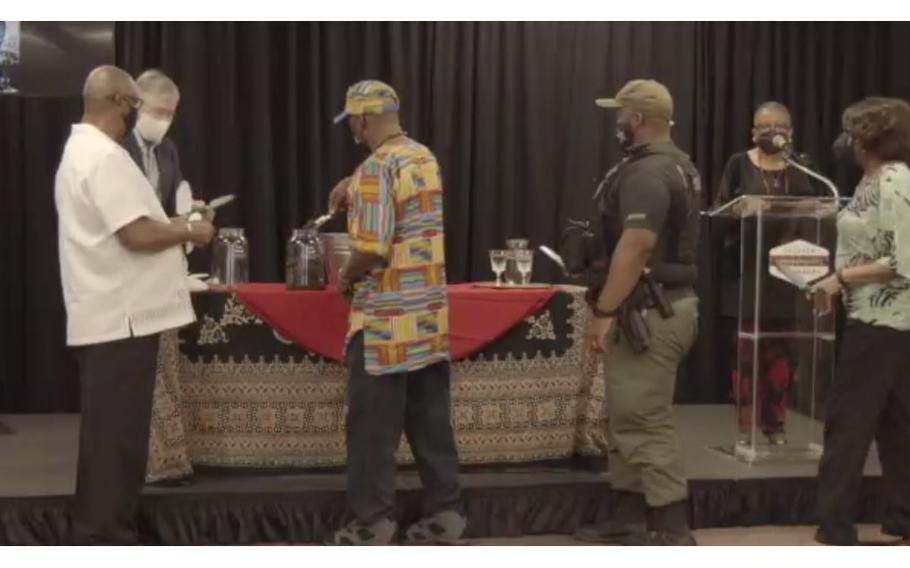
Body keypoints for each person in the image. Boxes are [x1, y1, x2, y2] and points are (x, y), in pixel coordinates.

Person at [55, 65, 215, 544]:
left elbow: (135, 223)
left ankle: (104, 529)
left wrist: (169, 223)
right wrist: (188, 229)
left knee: (113, 439)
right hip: (118, 320)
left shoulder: (80, 150)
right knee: (116, 443)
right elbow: (137, 232)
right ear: (124, 104)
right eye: (136, 108)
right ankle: (104, 536)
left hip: (108, 316)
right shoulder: (104, 157)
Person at [325, 80, 465, 545]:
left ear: (363, 121)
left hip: (383, 321)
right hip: (426, 316)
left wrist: (345, 275)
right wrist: (356, 184)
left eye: (353, 124)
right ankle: (447, 514)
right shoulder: (423, 158)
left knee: (371, 430)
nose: (354, 132)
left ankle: (372, 523)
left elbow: (370, 247)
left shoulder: (374, 168)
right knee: (430, 422)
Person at [574, 79, 702, 546]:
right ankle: (628, 512)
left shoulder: (649, 173)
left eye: (621, 115)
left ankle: (670, 526)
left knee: (644, 417)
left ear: (639, 120)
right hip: (653, 307)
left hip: (651, 310)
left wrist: (604, 309)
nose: (616, 123)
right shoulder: (676, 165)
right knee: (626, 412)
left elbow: (638, 244)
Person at [811, 97, 910, 546]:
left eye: (852, 131)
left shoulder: (895, 180)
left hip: (885, 319)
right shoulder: (870, 180)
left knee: (848, 423)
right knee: (896, 424)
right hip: (873, 315)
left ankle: (835, 526)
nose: (845, 141)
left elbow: (904, 259)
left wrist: (840, 279)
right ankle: (902, 518)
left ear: (869, 137)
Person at [713, 102, 822, 446]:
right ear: (752, 132)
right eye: (762, 125)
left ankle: (775, 425)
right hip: (745, 274)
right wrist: (745, 209)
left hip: (788, 275)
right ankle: (746, 426)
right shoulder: (737, 164)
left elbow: (816, 212)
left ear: (790, 133)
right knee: (746, 355)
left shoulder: (802, 168)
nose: (769, 131)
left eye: (777, 126)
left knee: (782, 355)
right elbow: (720, 211)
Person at [123, 69, 201, 487]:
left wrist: (191, 217)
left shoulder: (168, 150)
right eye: (158, 111)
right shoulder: (115, 149)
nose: (164, 119)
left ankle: (163, 458)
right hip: (122, 277)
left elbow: (171, 205)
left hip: (160, 274)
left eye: (171, 113)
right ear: (137, 106)